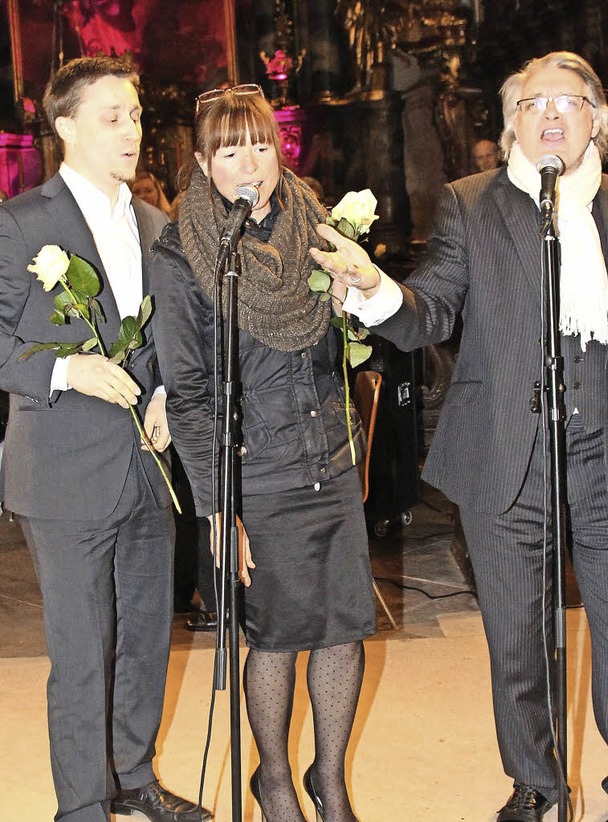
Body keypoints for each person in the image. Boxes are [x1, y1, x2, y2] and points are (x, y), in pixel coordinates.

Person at [310, 51, 608, 822]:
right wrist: (375, 289)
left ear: (598, 118)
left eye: (568, 101)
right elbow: (433, 311)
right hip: (505, 454)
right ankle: (536, 785)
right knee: (519, 640)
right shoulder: (471, 203)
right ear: (511, 124)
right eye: (533, 104)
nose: (551, 115)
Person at [149, 84, 376, 822]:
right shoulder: (184, 254)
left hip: (329, 459)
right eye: (227, 147)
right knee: (274, 638)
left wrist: (349, 299)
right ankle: (274, 782)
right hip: (257, 472)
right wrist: (219, 507)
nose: (247, 159)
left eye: (257, 143)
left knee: (343, 630)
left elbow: (352, 339)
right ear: (202, 160)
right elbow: (187, 394)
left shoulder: (318, 224)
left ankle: (330, 782)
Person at [0, 56, 211, 822]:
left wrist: (165, 396)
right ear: (64, 128)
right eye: (113, 116)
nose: (133, 130)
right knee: (84, 652)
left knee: (147, 639)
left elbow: (172, 348)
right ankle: (83, 804)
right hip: (62, 474)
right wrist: (68, 372)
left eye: (136, 115)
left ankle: (134, 778)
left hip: (146, 470)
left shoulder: (158, 226)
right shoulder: (21, 223)